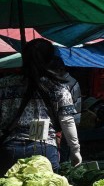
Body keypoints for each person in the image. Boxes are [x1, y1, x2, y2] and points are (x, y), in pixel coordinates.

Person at [0, 39, 82, 174]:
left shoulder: (4, 84)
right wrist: (75, 150)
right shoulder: (58, 87)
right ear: (50, 59)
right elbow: (67, 121)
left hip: (10, 150)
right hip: (44, 151)